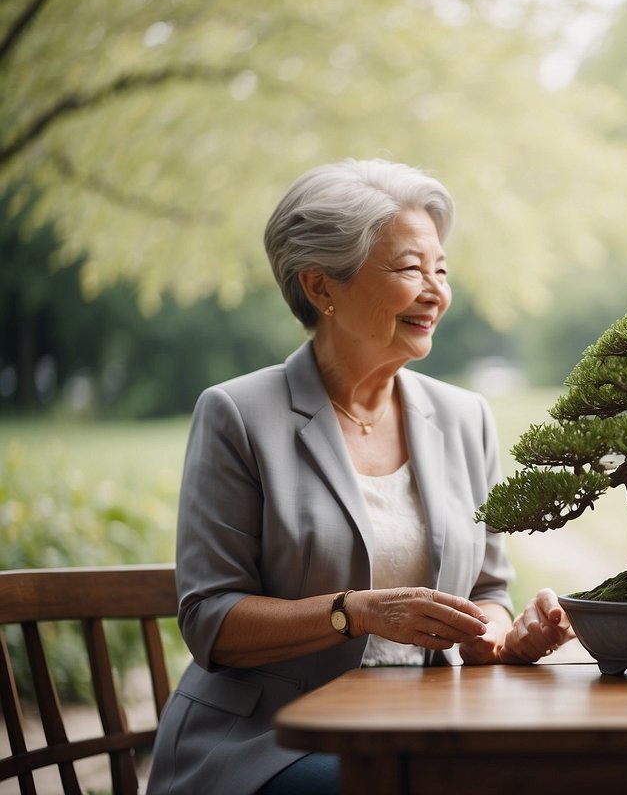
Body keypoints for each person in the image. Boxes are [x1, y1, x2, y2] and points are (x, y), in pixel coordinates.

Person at [147, 159, 573, 795]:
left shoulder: (465, 417)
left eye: (441, 269)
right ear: (321, 287)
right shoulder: (236, 414)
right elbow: (211, 619)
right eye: (409, 268)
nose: (435, 291)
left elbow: (486, 588)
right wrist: (358, 612)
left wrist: (504, 637)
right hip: (270, 742)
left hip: (425, 725)